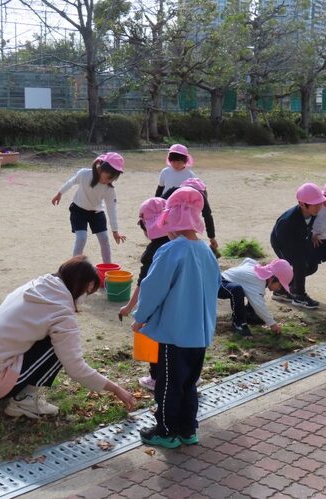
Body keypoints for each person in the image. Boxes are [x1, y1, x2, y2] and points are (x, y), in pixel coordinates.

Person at [0, 256, 136, 419]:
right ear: (82, 286)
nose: (86, 298)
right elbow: (75, 367)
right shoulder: (61, 313)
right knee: (58, 346)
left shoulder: (36, 285)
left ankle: (18, 391)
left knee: (50, 337)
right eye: (88, 292)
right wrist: (116, 389)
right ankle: (24, 401)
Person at [131, 187, 221, 449]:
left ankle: (166, 430)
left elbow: (152, 288)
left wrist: (141, 316)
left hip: (174, 334)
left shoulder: (170, 251)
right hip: (200, 334)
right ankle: (187, 429)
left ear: (172, 221)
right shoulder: (206, 252)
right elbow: (214, 286)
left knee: (168, 384)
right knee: (189, 384)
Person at [118, 197, 171, 391]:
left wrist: (132, 310)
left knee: (152, 338)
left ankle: (156, 378)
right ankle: (189, 376)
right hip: (179, 305)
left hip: (157, 307)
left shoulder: (153, 251)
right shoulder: (180, 242)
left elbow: (144, 284)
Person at [51, 152, 127, 261]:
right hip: (78, 211)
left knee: (104, 239)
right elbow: (71, 181)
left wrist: (115, 231)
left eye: (111, 179)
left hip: (96, 213)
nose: (106, 181)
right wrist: (59, 193)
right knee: (81, 238)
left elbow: (111, 208)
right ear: (100, 169)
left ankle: (107, 267)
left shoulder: (109, 189)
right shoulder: (84, 174)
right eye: (106, 177)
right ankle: (75, 266)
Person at [270, 182, 326, 309]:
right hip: (283, 242)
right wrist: (295, 258)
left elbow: (307, 228)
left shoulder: (312, 212)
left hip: (300, 240)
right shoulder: (288, 221)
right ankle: (299, 295)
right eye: (315, 204)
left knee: (312, 265)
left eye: (320, 203)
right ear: (302, 204)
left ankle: (282, 289)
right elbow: (281, 238)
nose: (318, 207)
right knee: (300, 264)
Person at [219, 258, 294, 336]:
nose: (279, 289)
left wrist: (239, 276)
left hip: (225, 280)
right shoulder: (258, 282)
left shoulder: (258, 269)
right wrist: (272, 324)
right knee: (237, 289)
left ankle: (249, 314)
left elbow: (248, 260)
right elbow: (259, 305)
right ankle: (238, 323)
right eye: (280, 285)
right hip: (217, 284)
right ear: (272, 278)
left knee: (248, 290)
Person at [162, 177, 219, 255]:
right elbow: (207, 216)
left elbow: (158, 202)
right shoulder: (201, 195)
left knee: (174, 243)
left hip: (172, 223)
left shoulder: (174, 190)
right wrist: (212, 237)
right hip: (190, 227)